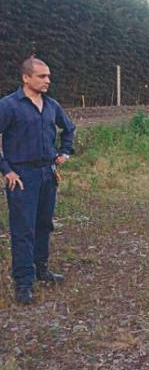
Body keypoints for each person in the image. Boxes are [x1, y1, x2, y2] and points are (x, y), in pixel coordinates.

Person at [0, 57, 76, 304]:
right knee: (23, 230)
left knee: (44, 224)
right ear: (26, 77)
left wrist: (64, 152)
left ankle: (41, 270)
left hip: (47, 173)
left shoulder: (51, 105)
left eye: (48, 76)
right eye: (42, 76)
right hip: (22, 177)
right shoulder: (9, 106)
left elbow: (69, 128)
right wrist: (7, 170)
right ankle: (23, 282)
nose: (47, 81)